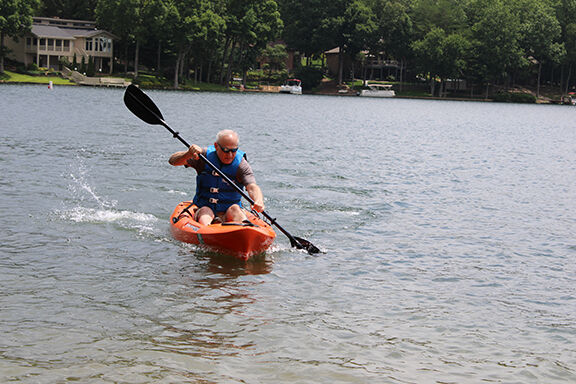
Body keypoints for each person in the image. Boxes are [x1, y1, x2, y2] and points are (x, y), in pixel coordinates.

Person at [169, 129, 265, 225]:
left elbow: (252, 187)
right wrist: (188, 154)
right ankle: (208, 229)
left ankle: (242, 228)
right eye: (226, 150)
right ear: (216, 146)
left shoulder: (241, 164)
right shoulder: (203, 157)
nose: (230, 155)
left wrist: (258, 200)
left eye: (234, 150)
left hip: (229, 211)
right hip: (205, 208)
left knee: (235, 209)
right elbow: (173, 161)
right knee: (205, 211)